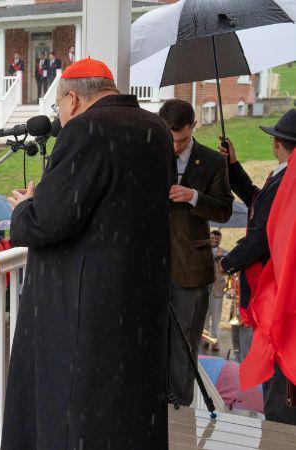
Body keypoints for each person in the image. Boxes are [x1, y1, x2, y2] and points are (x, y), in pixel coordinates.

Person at [4, 58, 173, 448]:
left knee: (78, 407)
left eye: (59, 108)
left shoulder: (86, 130)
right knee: (129, 402)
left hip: (88, 305)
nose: (60, 118)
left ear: (74, 99)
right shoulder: (156, 128)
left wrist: (24, 207)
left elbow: (49, 221)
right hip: (137, 293)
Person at [219, 108, 295, 425]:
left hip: (275, 297)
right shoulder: (283, 179)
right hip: (276, 294)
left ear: (277, 142)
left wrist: (226, 262)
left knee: (279, 392)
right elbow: (256, 201)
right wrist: (233, 167)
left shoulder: (287, 183)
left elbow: (262, 235)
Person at [157, 99, 233, 405]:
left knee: (184, 344)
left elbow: (226, 210)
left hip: (191, 267)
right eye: (169, 140)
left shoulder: (213, 162)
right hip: (152, 266)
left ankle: (180, 407)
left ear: (193, 128)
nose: (174, 147)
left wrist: (194, 197)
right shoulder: (148, 156)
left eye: (181, 140)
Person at [205, 230, 228, 352]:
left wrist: (220, 258)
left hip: (218, 289)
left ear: (220, 240)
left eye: (217, 239)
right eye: (212, 239)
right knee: (204, 316)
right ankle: (205, 339)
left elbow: (228, 266)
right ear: (209, 238)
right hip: (204, 289)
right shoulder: (203, 252)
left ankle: (214, 341)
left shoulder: (224, 252)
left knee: (216, 317)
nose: (214, 241)